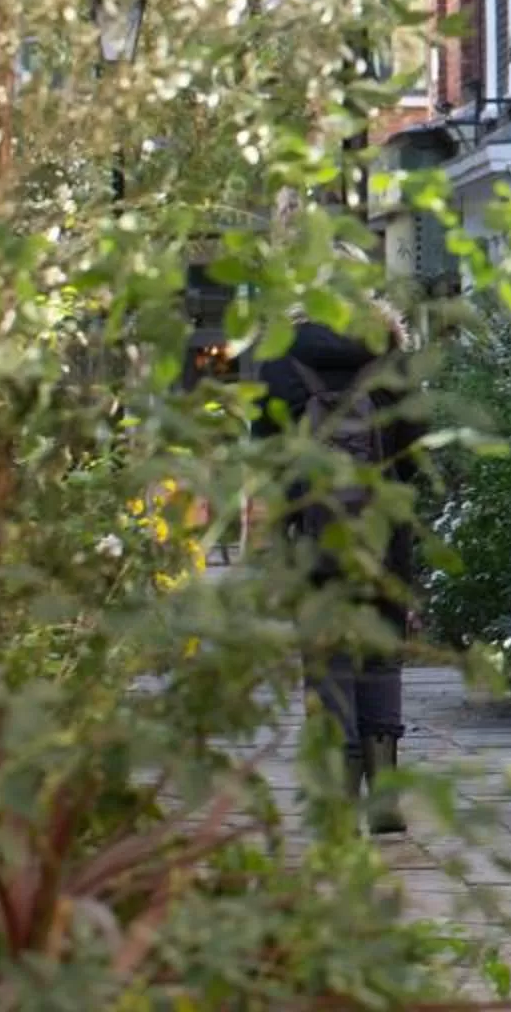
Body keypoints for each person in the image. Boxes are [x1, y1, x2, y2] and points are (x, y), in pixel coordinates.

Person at [221, 282, 422, 834]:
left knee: (327, 659)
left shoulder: (276, 359)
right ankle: (383, 799)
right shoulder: (388, 353)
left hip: (310, 532)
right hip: (384, 534)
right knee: (381, 655)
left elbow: (263, 458)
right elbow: (415, 451)